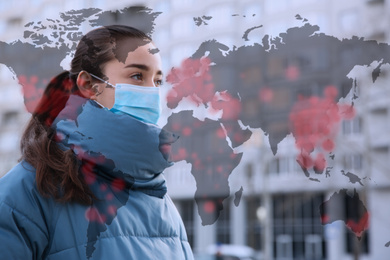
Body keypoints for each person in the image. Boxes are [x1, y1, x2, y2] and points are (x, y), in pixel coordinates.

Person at [0, 25, 194, 260]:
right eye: (137, 76)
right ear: (88, 85)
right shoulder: (26, 192)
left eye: (158, 81)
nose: (152, 92)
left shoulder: (161, 200)